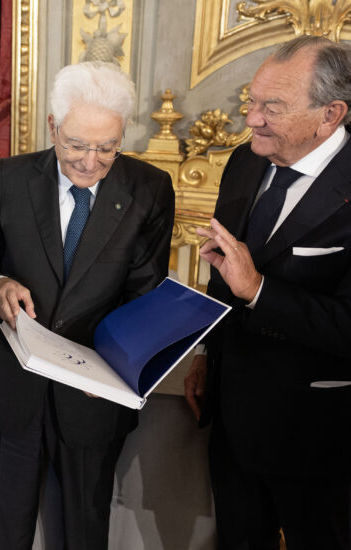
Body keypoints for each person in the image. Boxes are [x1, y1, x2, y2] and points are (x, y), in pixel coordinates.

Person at [0, 61, 174, 549]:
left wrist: (119, 368)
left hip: (93, 394)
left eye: (107, 146)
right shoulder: (11, 178)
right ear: (53, 126)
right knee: (3, 529)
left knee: (83, 529)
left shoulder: (148, 188)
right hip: (16, 388)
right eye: (77, 145)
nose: (91, 162)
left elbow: (144, 292)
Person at [184, 35, 351, 550]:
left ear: (331, 114)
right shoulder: (245, 160)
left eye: (271, 108)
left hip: (321, 441)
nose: (251, 119)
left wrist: (258, 290)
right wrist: (208, 355)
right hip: (233, 424)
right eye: (251, 101)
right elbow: (223, 270)